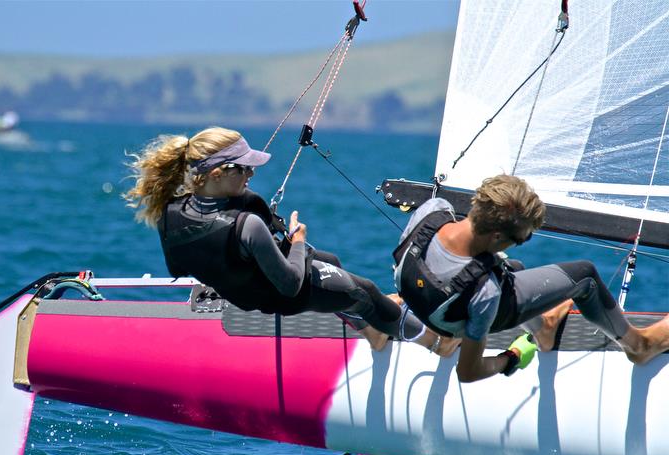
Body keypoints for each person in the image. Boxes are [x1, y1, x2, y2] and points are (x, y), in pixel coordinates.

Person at [124, 126, 458, 353]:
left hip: (243, 290)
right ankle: (433, 342)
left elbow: (183, 263)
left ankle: (371, 330)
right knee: (363, 291)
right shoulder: (247, 226)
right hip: (279, 294)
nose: (252, 174)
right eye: (244, 169)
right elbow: (291, 284)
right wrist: (298, 241)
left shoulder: (171, 212)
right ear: (216, 174)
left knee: (331, 263)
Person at [394, 174, 669, 383]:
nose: (521, 242)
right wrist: (508, 359)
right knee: (585, 276)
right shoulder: (485, 292)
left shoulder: (431, 211)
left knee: (512, 267)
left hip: (419, 299)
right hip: (451, 322)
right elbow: (467, 372)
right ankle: (639, 346)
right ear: (498, 236)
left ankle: (542, 328)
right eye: (521, 239)